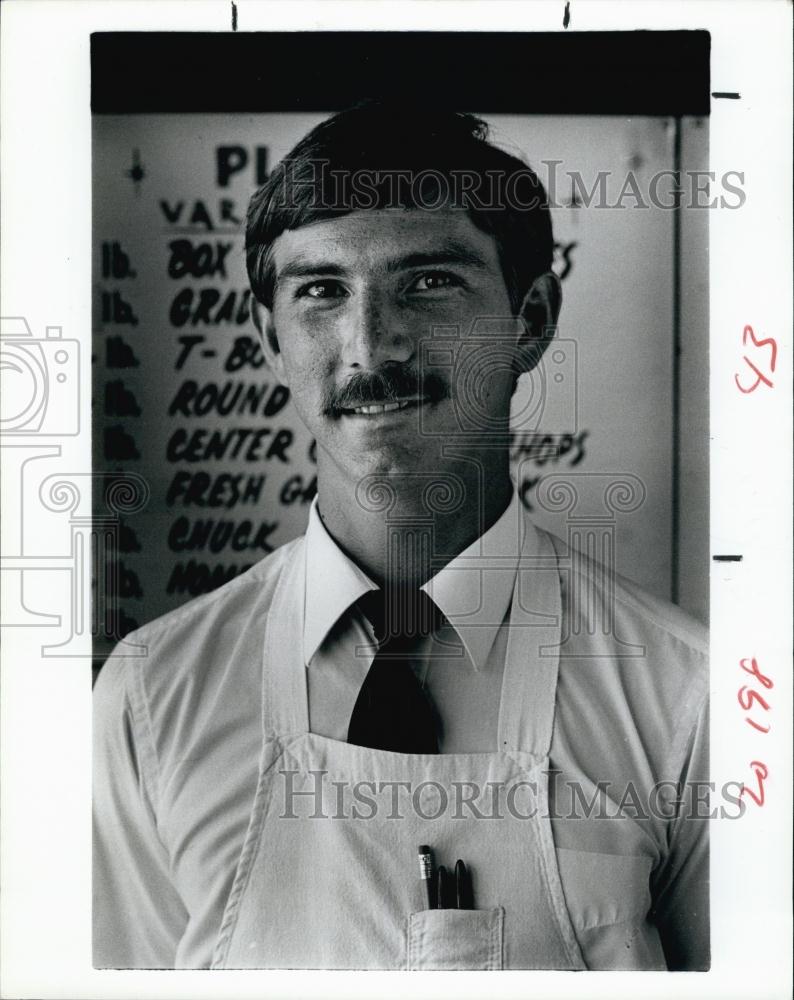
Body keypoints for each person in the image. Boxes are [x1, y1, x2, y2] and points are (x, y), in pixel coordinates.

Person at [93, 103, 709, 971]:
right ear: (271, 338)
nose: (371, 346)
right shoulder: (154, 699)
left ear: (529, 321)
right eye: (321, 291)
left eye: (429, 283)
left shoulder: (689, 696)